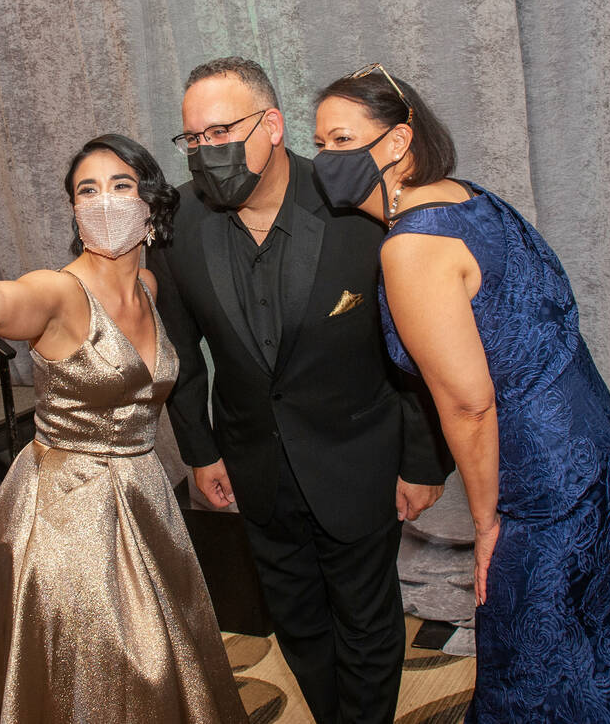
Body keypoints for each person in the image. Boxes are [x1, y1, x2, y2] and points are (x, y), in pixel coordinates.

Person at [311, 63, 610, 722]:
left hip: (544, 489)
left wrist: (488, 525)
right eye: (319, 144)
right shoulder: (471, 198)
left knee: (537, 672)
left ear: (398, 143)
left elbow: (468, 402)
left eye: (342, 142)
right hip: (599, 451)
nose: (326, 160)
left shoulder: (411, 247)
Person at [0, 135, 247, 724]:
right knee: (99, 683)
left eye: (121, 186)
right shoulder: (58, 293)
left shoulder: (149, 289)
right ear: (72, 210)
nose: (104, 202)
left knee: (165, 665)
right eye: (86, 190)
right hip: (67, 517)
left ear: (151, 203)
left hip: (145, 497)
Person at [149, 57, 447, 724]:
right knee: (298, 621)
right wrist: (200, 452)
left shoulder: (358, 209)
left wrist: (422, 460)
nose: (207, 151)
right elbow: (181, 354)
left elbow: (415, 353)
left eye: (222, 130)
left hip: (358, 455)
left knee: (368, 622)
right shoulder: (180, 222)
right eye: (193, 138)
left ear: (273, 126)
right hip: (254, 464)